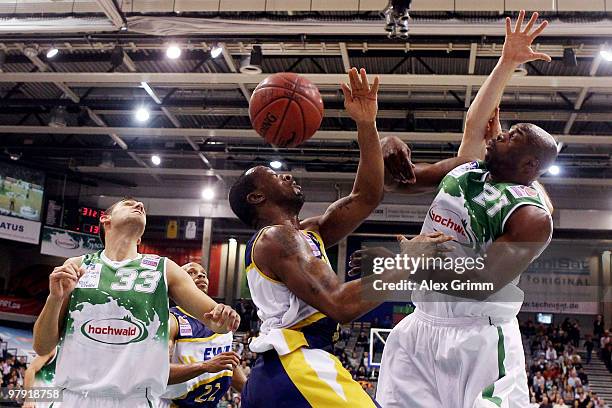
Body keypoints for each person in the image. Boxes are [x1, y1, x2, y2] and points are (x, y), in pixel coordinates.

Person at [229, 68, 449, 408]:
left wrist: (366, 124)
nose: (286, 174)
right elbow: (341, 304)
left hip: (276, 375)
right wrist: (409, 261)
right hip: (297, 364)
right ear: (257, 198)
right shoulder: (277, 237)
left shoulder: (304, 233)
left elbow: (366, 196)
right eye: (273, 176)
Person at [375, 10, 556, 408]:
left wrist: (410, 262)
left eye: (509, 135)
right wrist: (380, 145)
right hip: (420, 325)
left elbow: (483, 283)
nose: (498, 131)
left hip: (480, 337)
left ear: (527, 167)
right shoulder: (468, 168)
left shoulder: (531, 215)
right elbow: (396, 180)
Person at [32, 197, 240, 407]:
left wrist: (225, 318)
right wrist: (54, 298)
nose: (139, 206)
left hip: (135, 399)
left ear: (140, 238)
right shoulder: (77, 266)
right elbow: (42, 346)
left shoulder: (164, 269)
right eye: (129, 204)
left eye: (141, 207)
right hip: (74, 397)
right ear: (106, 220)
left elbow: (214, 320)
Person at [160, 262, 247, 408]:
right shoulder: (171, 320)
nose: (200, 275)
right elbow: (159, 373)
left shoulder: (222, 319)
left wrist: (255, 394)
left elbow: (227, 364)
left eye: (203, 273)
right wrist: (204, 366)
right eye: (191, 272)